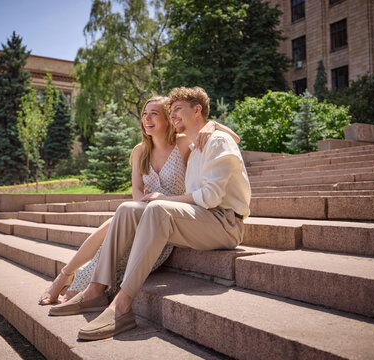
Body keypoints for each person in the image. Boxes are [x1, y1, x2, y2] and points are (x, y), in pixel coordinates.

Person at [64, 86, 251, 341]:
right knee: (128, 208)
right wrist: (212, 124)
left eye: (177, 110)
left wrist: (165, 198)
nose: (173, 116)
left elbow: (210, 197)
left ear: (197, 111)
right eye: (170, 111)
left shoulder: (217, 140)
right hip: (201, 218)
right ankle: (95, 291)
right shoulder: (198, 143)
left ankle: (121, 307)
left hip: (225, 224)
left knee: (158, 207)